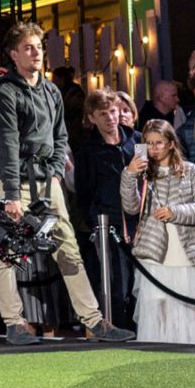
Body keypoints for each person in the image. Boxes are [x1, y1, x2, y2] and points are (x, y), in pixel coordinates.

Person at [0, 23, 134, 346]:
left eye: (38, 46)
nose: (36, 52)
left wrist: (54, 173)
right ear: (14, 55)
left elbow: (60, 137)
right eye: (28, 47)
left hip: (46, 180)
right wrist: (11, 195)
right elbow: (6, 146)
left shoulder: (52, 91)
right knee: (9, 253)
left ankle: (94, 320)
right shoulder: (5, 93)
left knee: (68, 247)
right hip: (13, 181)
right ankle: (14, 322)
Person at [121, 121, 195, 345]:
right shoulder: (143, 173)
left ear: (170, 143)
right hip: (155, 250)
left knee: (193, 307)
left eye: (159, 143)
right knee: (160, 306)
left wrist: (175, 212)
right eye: (148, 143)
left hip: (187, 248)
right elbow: (130, 207)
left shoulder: (190, 170)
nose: (153, 148)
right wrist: (129, 176)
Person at [74, 88, 138, 329]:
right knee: (118, 287)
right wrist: (96, 224)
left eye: (113, 111)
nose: (111, 118)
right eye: (103, 114)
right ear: (92, 117)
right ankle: (121, 331)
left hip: (140, 224)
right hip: (109, 228)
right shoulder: (88, 152)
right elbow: (84, 195)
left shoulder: (136, 140)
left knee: (141, 285)